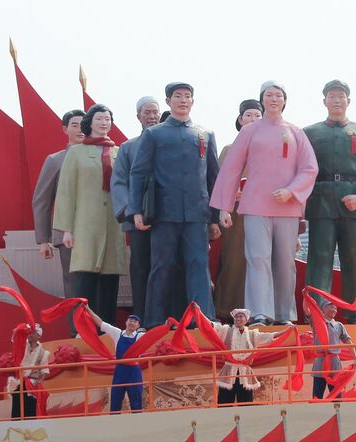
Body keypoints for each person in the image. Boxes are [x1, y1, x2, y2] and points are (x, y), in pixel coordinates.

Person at [211, 81, 318, 326]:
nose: (273, 99)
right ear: (262, 99)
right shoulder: (250, 132)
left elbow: (310, 168)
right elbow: (231, 169)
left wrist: (291, 191)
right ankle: (259, 313)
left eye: (278, 95)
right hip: (255, 206)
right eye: (269, 95)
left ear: (284, 101)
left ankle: (284, 315)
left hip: (287, 208)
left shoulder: (296, 132)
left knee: (284, 262)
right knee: (257, 259)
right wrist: (224, 207)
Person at [129, 82, 221, 326]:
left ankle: (202, 320)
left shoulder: (205, 134)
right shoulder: (154, 134)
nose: (183, 100)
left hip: (197, 214)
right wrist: (136, 210)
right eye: (177, 96)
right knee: (161, 266)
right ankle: (154, 321)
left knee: (199, 266)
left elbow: (214, 178)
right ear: (168, 101)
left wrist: (215, 216)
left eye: (187, 96)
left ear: (193, 101)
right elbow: (138, 173)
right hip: (164, 212)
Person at [304, 80, 356, 323]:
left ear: (348, 101)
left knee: (353, 258)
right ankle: (315, 311)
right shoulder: (310, 132)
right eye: (331, 96)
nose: (336, 100)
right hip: (320, 200)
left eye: (341, 97)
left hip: (353, 201)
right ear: (324, 101)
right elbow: (302, 169)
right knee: (319, 258)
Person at [55, 103, 127, 325]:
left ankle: (107, 329)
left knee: (109, 280)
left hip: (113, 223)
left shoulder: (119, 152)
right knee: (84, 280)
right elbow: (66, 191)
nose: (104, 123)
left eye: (107, 119)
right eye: (99, 119)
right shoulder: (77, 152)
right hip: (85, 224)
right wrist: (66, 229)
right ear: (90, 123)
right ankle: (81, 329)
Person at [111, 96, 163, 324]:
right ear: (138, 117)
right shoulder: (128, 148)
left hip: (168, 220)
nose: (151, 117)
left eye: (155, 112)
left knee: (167, 268)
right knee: (140, 269)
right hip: (138, 220)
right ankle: (141, 317)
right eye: (147, 113)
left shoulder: (170, 143)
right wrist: (130, 212)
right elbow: (119, 181)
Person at [212, 99, 264, 321]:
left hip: (263, 213)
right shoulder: (229, 149)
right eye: (249, 115)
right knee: (234, 262)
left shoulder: (270, 148)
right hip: (235, 215)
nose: (253, 119)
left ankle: (259, 312)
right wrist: (233, 195)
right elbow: (219, 183)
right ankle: (225, 311)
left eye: (257, 116)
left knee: (260, 263)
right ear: (240, 119)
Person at [32, 110, 86, 299]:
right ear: (65, 129)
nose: (80, 129)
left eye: (83, 124)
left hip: (96, 231)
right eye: (74, 125)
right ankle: (77, 328)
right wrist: (43, 239)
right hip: (66, 233)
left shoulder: (100, 156)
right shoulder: (55, 160)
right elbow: (42, 200)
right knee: (74, 283)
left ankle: (101, 328)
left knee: (99, 282)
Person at [211, 309, 286, 404]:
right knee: (224, 403)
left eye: (241, 316)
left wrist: (287, 331)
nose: (238, 318)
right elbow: (211, 326)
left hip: (245, 374)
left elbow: (271, 336)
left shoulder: (252, 335)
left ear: (246, 320)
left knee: (246, 404)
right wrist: (199, 313)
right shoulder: (226, 331)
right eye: (236, 317)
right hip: (228, 373)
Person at [88, 309, 147, 413]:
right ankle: (114, 424)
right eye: (130, 320)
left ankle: (138, 425)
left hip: (134, 372)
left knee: (136, 401)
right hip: (120, 370)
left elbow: (154, 336)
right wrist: (87, 308)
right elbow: (101, 323)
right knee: (115, 400)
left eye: (135, 321)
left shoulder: (140, 336)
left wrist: (166, 326)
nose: (132, 322)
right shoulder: (117, 333)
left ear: (138, 326)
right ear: (126, 322)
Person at [311, 299, 353, 400]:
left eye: (335, 307)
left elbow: (348, 341)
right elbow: (308, 311)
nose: (334, 309)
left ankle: (337, 413)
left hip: (334, 363)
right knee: (317, 395)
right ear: (323, 309)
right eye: (331, 306)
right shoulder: (317, 323)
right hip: (320, 363)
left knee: (336, 394)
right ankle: (316, 413)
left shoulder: (339, 326)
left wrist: (355, 358)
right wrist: (305, 296)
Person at [6, 326, 51, 419]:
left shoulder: (43, 353)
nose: (30, 334)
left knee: (31, 409)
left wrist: (36, 382)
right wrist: (19, 330)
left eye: (33, 333)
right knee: (17, 408)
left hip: (32, 384)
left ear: (39, 336)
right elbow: (16, 338)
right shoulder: (23, 346)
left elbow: (45, 371)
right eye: (30, 332)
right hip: (20, 382)